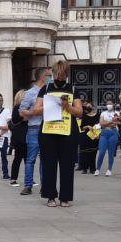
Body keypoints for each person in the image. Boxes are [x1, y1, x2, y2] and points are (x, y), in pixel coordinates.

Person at [36, 60, 83, 208]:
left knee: (67, 164)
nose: (60, 76)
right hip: (49, 130)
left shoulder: (72, 89)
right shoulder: (45, 89)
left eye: (63, 74)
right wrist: (50, 105)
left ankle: (65, 197)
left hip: (68, 130)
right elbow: (36, 109)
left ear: (67, 73)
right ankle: (50, 196)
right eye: (57, 73)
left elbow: (79, 112)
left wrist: (67, 106)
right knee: (48, 163)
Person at [17, 66, 51, 195]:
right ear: (43, 77)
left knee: (45, 159)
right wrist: (35, 112)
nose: (51, 78)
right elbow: (21, 111)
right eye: (49, 75)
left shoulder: (51, 91)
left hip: (48, 127)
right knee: (30, 159)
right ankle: (28, 185)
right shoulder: (30, 93)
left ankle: (45, 185)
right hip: (34, 128)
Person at [9, 89, 27, 185]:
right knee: (19, 158)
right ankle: (13, 179)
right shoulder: (17, 108)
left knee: (26, 159)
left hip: (23, 136)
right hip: (20, 137)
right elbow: (24, 118)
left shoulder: (18, 108)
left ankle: (28, 179)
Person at [96, 99, 120, 175]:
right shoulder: (103, 113)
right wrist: (110, 122)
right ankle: (98, 169)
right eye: (107, 104)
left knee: (111, 153)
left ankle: (109, 169)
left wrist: (107, 123)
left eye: (110, 103)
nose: (108, 105)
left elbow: (115, 124)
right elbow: (101, 123)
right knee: (101, 152)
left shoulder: (117, 113)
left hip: (113, 133)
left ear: (113, 105)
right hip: (104, 133)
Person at [78, 101, 99, 174]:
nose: (88, 108)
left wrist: (95, 129)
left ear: (93, 107)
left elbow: (100, 126)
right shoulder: (85, 116)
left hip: (94, 135)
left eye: (90, 106)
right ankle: (84, 168)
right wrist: (87, 126)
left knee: (93, 152)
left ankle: (92, 168)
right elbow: (81, 127)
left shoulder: (97, 115)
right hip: (85, 136)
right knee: (85, 153)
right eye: (87, 107)